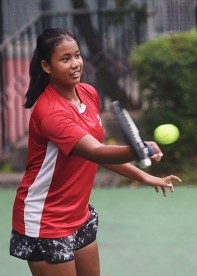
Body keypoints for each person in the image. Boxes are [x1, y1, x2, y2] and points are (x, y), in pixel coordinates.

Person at [10, 28, 181, 276]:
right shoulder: (50, 113)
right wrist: (138, 149)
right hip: (45, 221)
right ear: (46, 67)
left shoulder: (88, 93)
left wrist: (143, 176)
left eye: (77, 55)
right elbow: (98, 152)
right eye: (65, 59)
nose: (75, 64)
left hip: (79, 214)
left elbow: (93, 154)